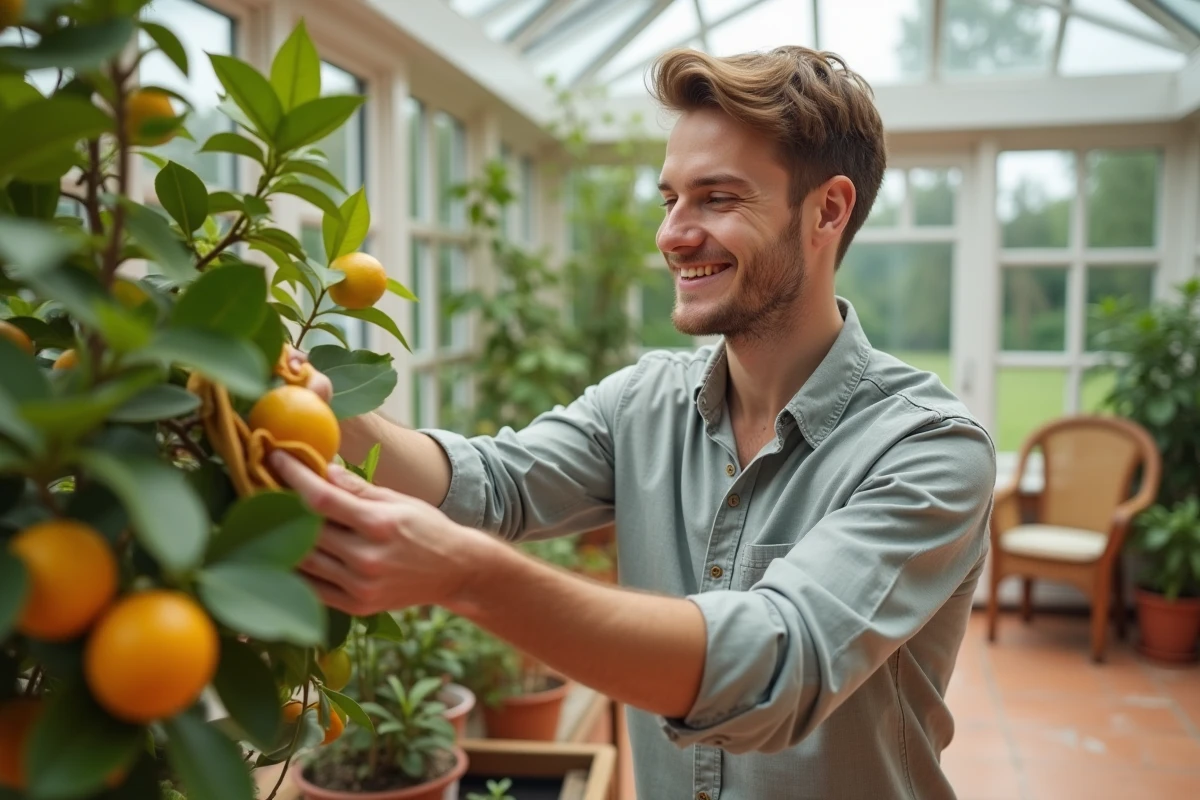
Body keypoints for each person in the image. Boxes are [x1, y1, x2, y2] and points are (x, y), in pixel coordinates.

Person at [276, 45, 997, 800]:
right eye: (669, 199)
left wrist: (466, 575)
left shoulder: (929, 448)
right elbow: (490, 484)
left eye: (717, 198)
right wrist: (313, 409)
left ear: (828, 210)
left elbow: (780, 662)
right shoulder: (644, 401)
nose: (673, 234)